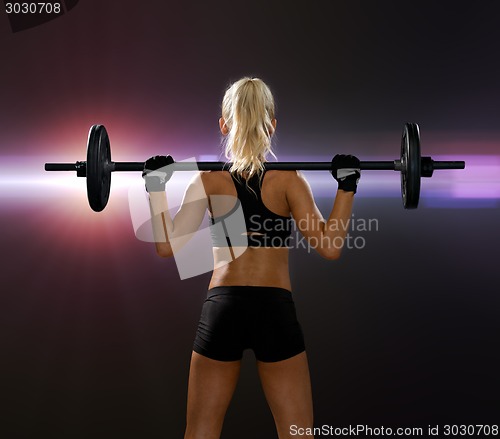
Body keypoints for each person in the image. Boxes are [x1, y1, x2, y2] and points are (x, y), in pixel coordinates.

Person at [143, 77, 360, 439]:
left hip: (223, 308)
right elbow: (330, 247)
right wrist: (347, 187)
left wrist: (156, 187)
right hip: (273, 309)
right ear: (272, 125)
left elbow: (167, 247)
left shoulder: (209, 181)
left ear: (224, 124)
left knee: (200, 432)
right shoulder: (289, 180)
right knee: (297, 434)